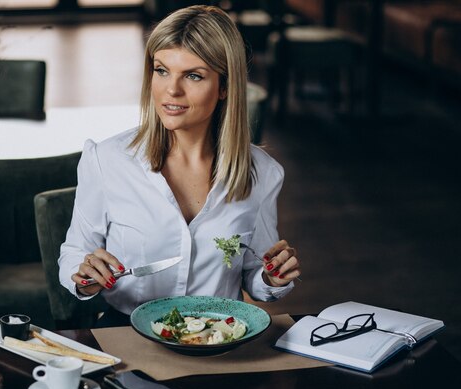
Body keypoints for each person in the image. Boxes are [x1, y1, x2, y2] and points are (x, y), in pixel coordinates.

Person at [59, 5, 300, 327]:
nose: (171, 90)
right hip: (128, 333)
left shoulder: (263, 174)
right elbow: (75, 252)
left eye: (193, 75)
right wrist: (85, 275)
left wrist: (273, 279)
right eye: (161, 70)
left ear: (225, 86)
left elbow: (255, 272)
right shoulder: (107, 160)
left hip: (220, 337)